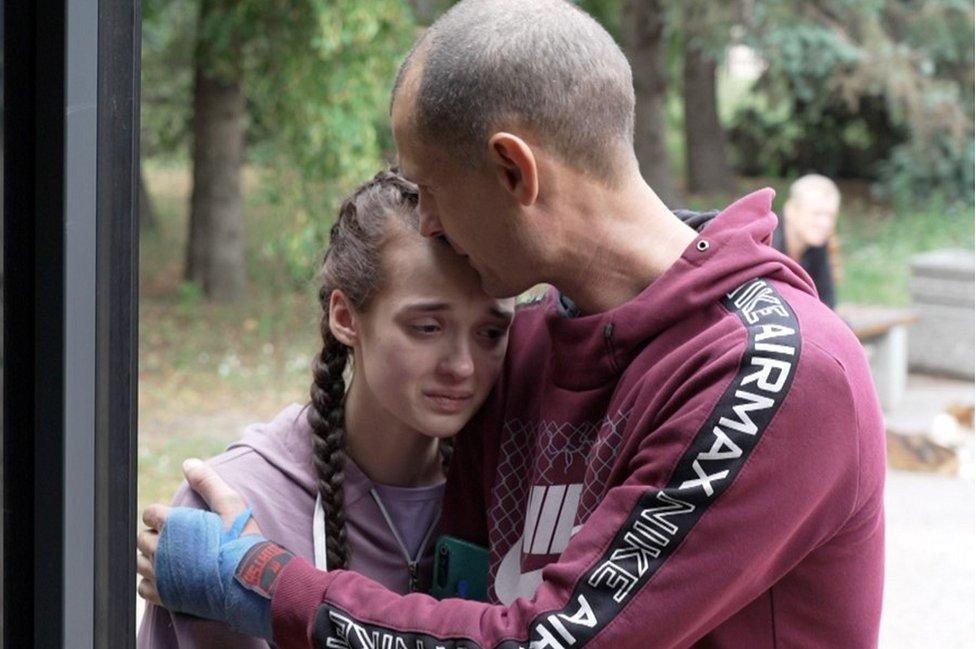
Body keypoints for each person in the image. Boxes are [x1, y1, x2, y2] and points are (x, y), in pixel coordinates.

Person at [137, 1, 886, 647]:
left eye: (430, 187)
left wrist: (261, 579)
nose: (425, 221)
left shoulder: (775, 372)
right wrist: (258, 494)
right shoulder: (523, 347)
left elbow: (551, 637)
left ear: (513, 171)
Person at [136, 169, 516, 647]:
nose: (462, 366)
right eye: (427, 327)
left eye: (491, 333)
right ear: (345, 317)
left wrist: (263, 585)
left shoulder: (511, 498)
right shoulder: (226, 516)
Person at [772, 174, 843, 308]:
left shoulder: (817, 243)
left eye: (831, 215)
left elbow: (826, 303)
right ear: (791, 210)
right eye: (817, 214)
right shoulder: (767, 242)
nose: (825, 223)